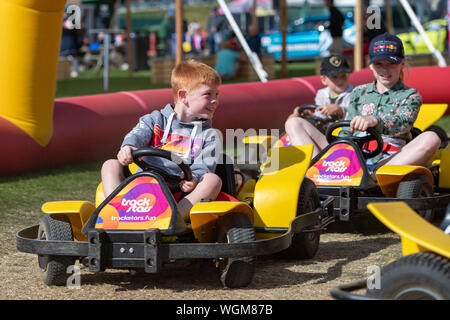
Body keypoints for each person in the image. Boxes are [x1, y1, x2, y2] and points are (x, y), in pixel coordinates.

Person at [285, 33, 441, 173]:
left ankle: (373, 177)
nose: (385, 70)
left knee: (431, 138)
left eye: (391, 64)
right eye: (380, 64)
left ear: (402, 63)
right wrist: (338, 145)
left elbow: (403, 124)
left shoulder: (410, 96)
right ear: (371, 65)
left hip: (387, 160)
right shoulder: (359, 92)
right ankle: (315, 172)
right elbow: (347, 129)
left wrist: (375, 121)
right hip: (351, 154)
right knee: (294, 123)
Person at [101, 60, 223, 221]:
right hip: (142, 183)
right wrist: (128, 147)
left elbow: (205, 165)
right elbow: (137, 134)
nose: (215, 101)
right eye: (208, 94)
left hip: (180, 190)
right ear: (183, 96)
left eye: (217, 95)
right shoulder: (155, 119)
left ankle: (173, 219)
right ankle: (115, 215)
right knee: (110, 164)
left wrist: (194, 178)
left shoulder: (210, 135)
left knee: (213, 181)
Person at [287, 54, 353, 131]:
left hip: (345, 134)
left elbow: (357, 112)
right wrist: (306, 114)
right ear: (324, 80)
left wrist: (340, 110)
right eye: (334, 77)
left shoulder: (355, 93)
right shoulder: (322, 94)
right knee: (293, 118)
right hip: (325, 132)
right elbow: (319, 117)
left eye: (343, 76)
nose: (340, 80)